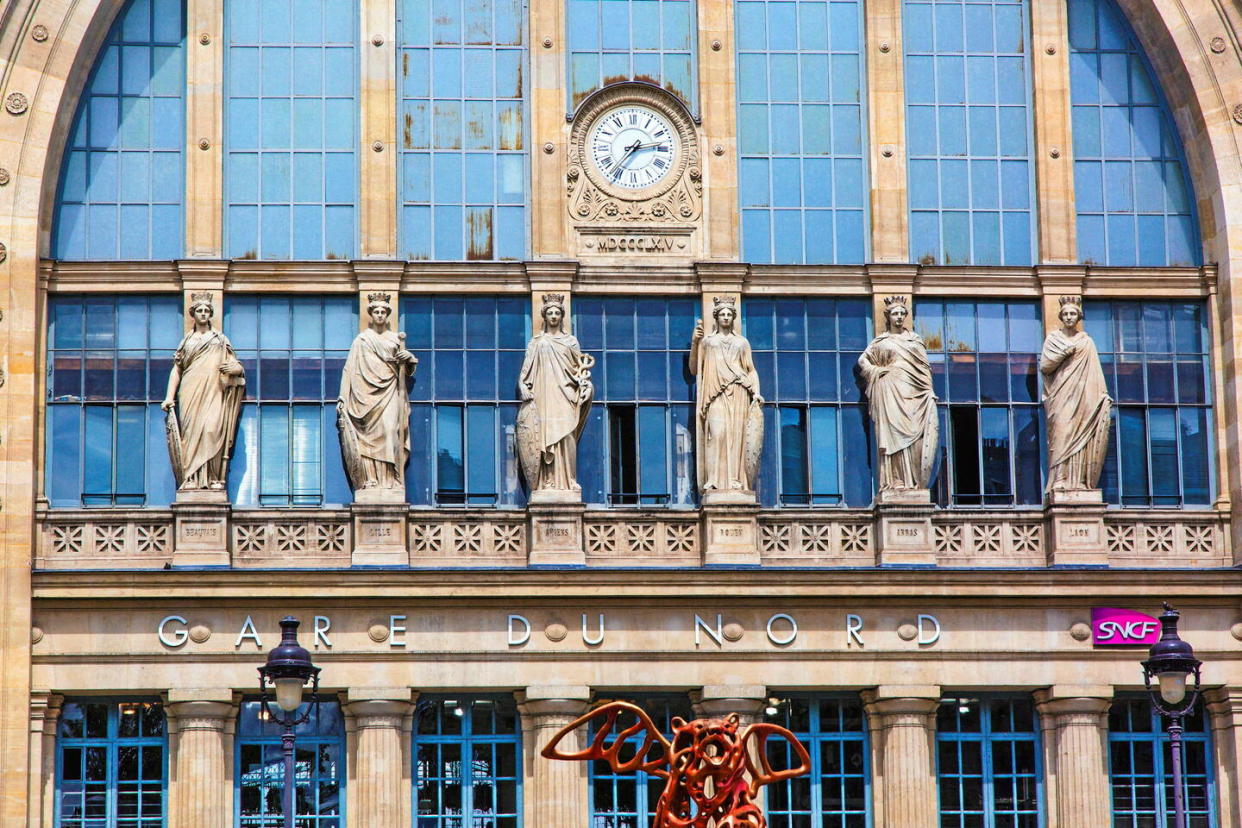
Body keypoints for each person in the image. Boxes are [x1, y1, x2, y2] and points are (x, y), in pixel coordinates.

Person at [161, 293, 245, 490]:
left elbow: (236, 366)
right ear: (193, 314)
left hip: (214, 390)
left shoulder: (219, 339)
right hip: (190, 389)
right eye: (199, 310)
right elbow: (177, 369)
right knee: (190, 434)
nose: (203, 314)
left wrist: (236, 369)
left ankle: (213, 477)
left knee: (211, 429)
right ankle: (191, 479)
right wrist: (169, 397)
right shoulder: (187, 342)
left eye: (207, 311)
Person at [516, 294, 594, 498]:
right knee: (544, 437)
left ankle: (568, 481)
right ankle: (546, 482)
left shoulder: (571, 342)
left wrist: (586, 388)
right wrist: (522, 385)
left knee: (567, 436)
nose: (553, 316)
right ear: (544, 316)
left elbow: (581, 371)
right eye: (549, 312)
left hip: (566, 393)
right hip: (543, 393)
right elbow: (525, 371)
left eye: (557, 312)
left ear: (561, 316)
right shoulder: (537, 342)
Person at [858, 295, 938, 492]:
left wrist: (929, 391)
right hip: (890, 390)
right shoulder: (880, 341)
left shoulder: (915, 340)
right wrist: (876, 371)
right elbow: (862, 361)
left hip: (913, 391)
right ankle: (896, 481)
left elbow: (924, 368)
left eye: (903, 313)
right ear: (888, 317)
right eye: (895, 313)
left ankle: (912, 482)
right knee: (893, 434)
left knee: (914, 437)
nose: (899, 317)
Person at [337, 293, 417, 492]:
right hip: (364, 395)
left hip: (389, 390)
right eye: (376, 311)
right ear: (371, 315)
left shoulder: (394, 339)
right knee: (366, 439)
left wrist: (408, 358)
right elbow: (349, 369)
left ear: (387, 314)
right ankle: (371, 480)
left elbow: (406, 367)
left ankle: (389, 481)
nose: (380, 315)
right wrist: (343, 397)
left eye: (383, 311)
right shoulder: (362, 340)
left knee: (390, 431)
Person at [689, 296, 763, 499]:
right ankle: (713, 480)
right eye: (722, 314)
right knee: (716, 434)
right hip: (715, 394)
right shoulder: (708, 342)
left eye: (729, 314)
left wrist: (756, 393)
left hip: (739, 391)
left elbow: (751, 370)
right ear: (716, 317)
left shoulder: (742, 343)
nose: (726, 317)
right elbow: (694, 368)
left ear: (733, 318)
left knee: (736, 438)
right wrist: (695, 342)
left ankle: (735, 481)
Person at [1040, 296, 1112, 493]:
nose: (1069, 317)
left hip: (1083, 395)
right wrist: (1064, 353)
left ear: (1079, 316)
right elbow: (1045, 367)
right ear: (1061, 317)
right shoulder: (1054, 339)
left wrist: (1101, 396)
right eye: (1065, 314)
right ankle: (1059, 479)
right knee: (1061, 434)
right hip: (1061, 394)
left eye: (1073, 313)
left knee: (1081, 435)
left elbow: (1095, 372)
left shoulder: (1086, 342)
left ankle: (1077, 481)